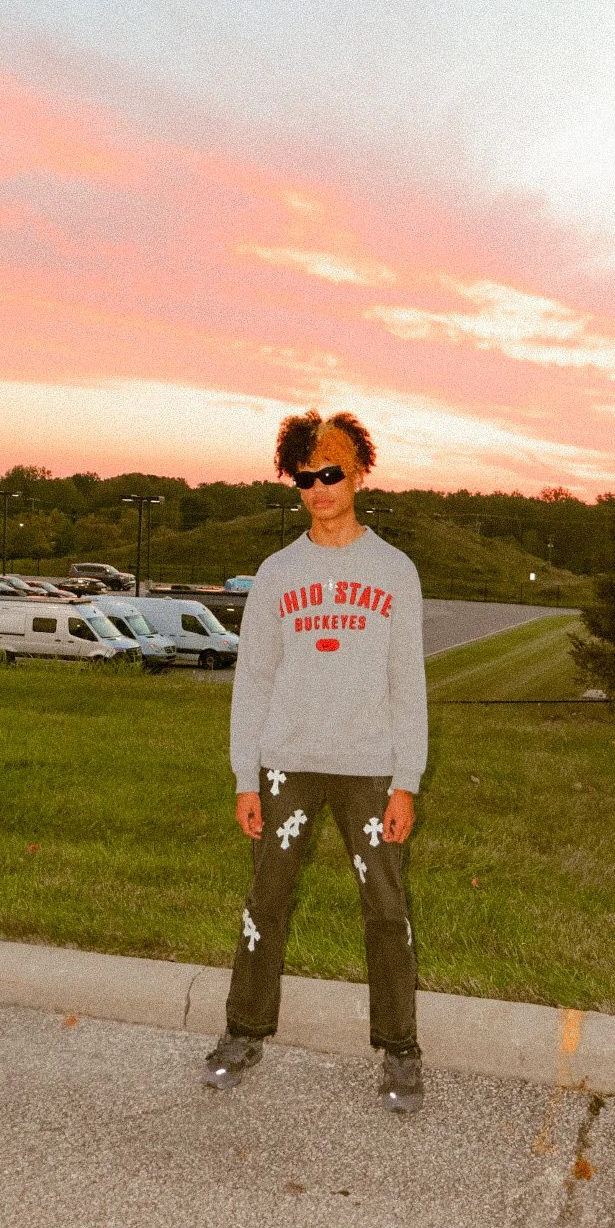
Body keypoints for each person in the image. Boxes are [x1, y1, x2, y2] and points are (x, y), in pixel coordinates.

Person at [202, 410, 428, 1113]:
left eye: (332, 473)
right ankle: (243, 1031)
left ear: (358, 474)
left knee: (386, 907)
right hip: (287, 763)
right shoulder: (278, 574)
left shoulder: (393, 571)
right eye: (306, 478)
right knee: (265, 901)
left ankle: (400, 1049)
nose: (320, 488)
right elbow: (254, 681)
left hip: (369, 767)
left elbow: (407, 683)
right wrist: (245, 777)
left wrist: (406, 782)